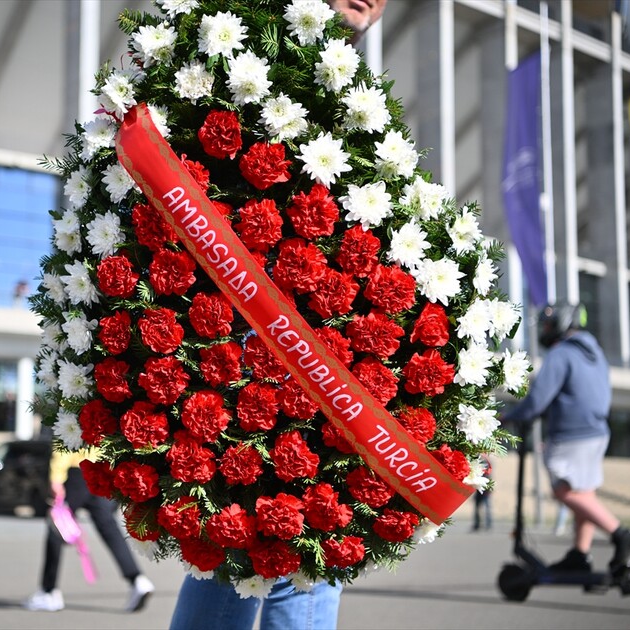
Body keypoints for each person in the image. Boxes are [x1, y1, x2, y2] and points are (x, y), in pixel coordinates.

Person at [169, 3, 388, 628]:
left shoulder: (355, 102)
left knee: (294, 552)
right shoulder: (251, 55)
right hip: (228, 344)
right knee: (229, 550)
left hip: (320, 366)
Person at [502, 302, 630, 574]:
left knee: (563, 491)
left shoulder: (561, 353)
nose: (546, 330)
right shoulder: (595, 352)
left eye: (549, 324)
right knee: (584, 493)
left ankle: (621, 533)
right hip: (597, 432)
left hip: (571, 435)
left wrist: (512, 416)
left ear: (562, 324)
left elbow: (538, 398)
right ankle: (580, 553)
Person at [23, 449, 154, 613]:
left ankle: (49, 592)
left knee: (57, 527)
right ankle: (137, 580)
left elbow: (65, 440)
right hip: (103, 470)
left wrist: (56, 477)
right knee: (109, 529)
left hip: (77, 472)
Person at [471, 455, 493, 532]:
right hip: (480, 486)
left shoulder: (485, 461)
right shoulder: (484, 460)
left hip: (484, 487)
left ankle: (487, 523)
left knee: (486, 506)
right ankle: (478, 524)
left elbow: (488, 475)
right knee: (479, 506)